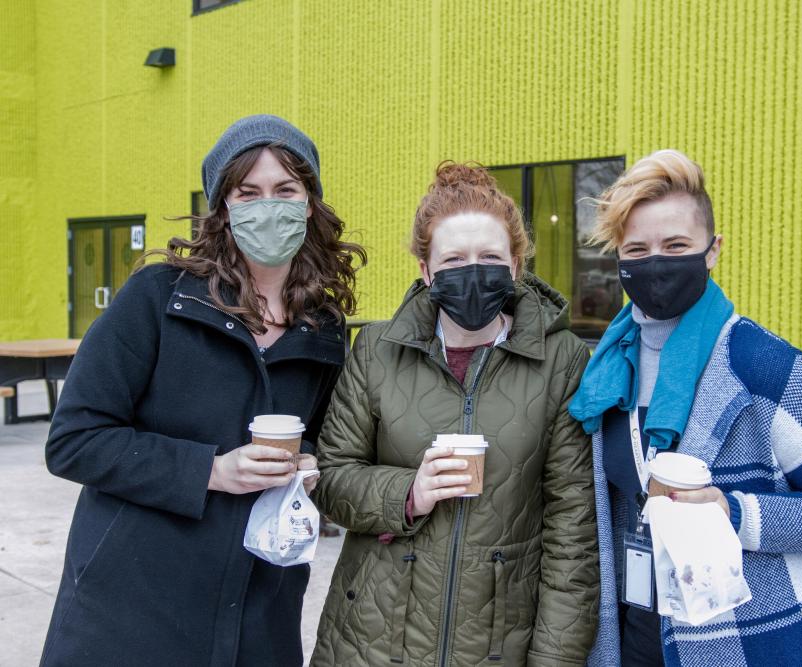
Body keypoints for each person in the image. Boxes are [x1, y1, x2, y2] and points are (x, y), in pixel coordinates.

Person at [40, 114, 366, 667]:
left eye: (286, 189)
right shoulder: (158, 299)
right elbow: (73, 440)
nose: (269, 205)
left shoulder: (323, 326)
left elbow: (321, 441)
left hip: (259, 605)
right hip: (132, 607)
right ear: (223, 207)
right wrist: (212, 471)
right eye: (249, 192)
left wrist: (311, 467)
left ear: (309, 204)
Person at [570, 150, 802, 667]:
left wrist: (735, 513)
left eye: (676, 246)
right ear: (620, 261)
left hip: (753, 643)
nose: (657, 264)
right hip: (637, 638)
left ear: (713, 250)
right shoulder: (607, 370)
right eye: (638, 249)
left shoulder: (766, 367)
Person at [310, 162, 599, 666]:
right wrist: (408, 494)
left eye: (489, 257)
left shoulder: (563, 360)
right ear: (425, 272)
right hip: (372, 641)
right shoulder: (377, 349)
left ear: (515, 266)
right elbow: (332, 482)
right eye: (453, 259)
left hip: (496, 643)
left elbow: (571, 536)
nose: (472, 272)